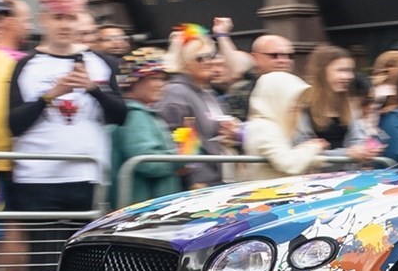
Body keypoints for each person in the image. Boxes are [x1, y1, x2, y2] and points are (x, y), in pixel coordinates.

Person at [5, 0, 126, 271]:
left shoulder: (101, 63)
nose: (64, 25)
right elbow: (14, 124)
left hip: (87, 179)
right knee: (43, 267)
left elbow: (120, 115)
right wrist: (51, 94)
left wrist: (93, 88)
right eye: (57, 17)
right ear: (43, 19)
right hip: (38, 181)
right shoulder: (26, 65)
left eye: (70, 17)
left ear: (79, 19)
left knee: (83, 267)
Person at [155, 34, 237, 189]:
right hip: (200, 183)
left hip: (218, 177)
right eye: (200, 58)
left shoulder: (207, 92)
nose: (208, 62)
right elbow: (180, 141)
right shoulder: (177, 92)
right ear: (185, 63)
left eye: (210, 57)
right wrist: (193, 181)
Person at [111, 50, 184, 207]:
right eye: (154, 78)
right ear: (132, 82)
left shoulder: (143, 112)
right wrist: (182, 156)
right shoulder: (135, 115)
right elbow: (148, 163)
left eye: (163, 79)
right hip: (143, 210)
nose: (161, 85)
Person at [245, 71, 334, 177]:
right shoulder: (263, 127)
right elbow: (287, 163)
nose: (297, 105)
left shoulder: (272, 125)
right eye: (292, 99)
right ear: (277, 98)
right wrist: (312, 147)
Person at [301, 44, 370, 153]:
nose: (350, 76)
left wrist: (366, 149)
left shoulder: (347, 106)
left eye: (351, 71)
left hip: (348, 169)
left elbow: (357, 139)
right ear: (322, 72)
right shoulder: (303, 107)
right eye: (342, 70)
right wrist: (347, 154)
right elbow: (301, 152)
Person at [228, 31, 299, 119]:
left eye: (289, 56)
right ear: (255, 58)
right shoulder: (241, 91)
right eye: (274, 55)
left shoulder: (300, 88)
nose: (283, 61)